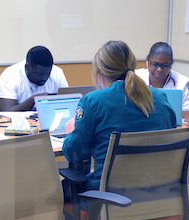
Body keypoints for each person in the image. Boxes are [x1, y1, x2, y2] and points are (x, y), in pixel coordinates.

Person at [62, 40, 178, 190]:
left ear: (100, 72)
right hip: (158, 193)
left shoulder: (92, 102)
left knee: (59, 194)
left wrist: (72, 132)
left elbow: (74, 153)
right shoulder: (161, 98)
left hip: (110, 197)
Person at [134, 41, 189, 127]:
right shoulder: (136, 78)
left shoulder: (184, 83)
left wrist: (181, 129)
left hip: (172, 132)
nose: (159, 69)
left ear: (171, 63)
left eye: (165, 66)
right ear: (148, 60)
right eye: (155, 64)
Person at [0, 45, 69, 112]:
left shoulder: (57, 72)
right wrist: (34, 99)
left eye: (48, 73)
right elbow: (6, 111)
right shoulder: (10, 75)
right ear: (27, 68)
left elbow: (68, 103)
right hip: (16, 123)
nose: (45, 77)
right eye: (40, 74)